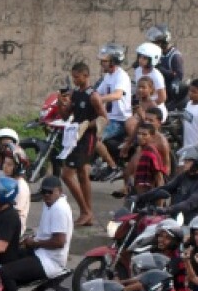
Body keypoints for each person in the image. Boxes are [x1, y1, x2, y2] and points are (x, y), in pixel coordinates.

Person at [0, 176, 72, 291]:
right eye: (43, 192)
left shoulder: (59, 209)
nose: (46, 195)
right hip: (40, 252)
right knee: (5, 257)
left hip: (49, 261)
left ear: (60, 191)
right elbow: (46, 233)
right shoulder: (50, 204)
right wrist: (31, 239)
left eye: (49, 192)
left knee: (6, 273)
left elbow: (59, 242)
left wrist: (35, 243)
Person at [60, 62, 105, 227]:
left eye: (77, 77)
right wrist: (61, 103)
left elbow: (103, 118)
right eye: (73, 77)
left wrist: (87, 125)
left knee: (66, 175)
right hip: (74, 137)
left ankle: (85, 211)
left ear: (85, 76)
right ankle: (88, 214)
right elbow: (66, 116)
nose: (74, 80)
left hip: (87, 139)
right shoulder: (75, 94)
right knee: (82, 175)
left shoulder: (93, 96)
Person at [132, 146, 198, 223]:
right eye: (185, 160)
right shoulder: (185, 175)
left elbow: (189, 204)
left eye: (189, 160)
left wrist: (166, 210)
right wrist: (140, 197)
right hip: (179, 218)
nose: (184, 162)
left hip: (197, 224)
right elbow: (166, 188)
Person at [92, 45, 132, 182]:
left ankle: (113, 167)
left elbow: (117, 94)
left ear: (113, 62)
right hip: (108, 117)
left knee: (94, 139)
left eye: (105, 61)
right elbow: (98, 91)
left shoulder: (121, 76)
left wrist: (99, 99)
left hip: (119, 120)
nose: (101, 63)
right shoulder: (109, 76)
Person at [147, 25, 185, 106]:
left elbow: (178, 78)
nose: (154, 45)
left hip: (168, 94)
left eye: (156, 43)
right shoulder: (158, 54)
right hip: (156, 89)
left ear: (163, 42)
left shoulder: (175, 56)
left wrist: (160, 69)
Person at [127, 125, 168, 197]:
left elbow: (159, 179)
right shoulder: (140, 150)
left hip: (148, 197)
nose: (140, 137)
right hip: (138, 194)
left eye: (144, 134)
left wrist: (159, 206)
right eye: (139, 134)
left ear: (152, 137)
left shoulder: (151, 152)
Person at [0, 147, 31, 231]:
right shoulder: (7, 181)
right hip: (2, 222)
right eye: (4, 163)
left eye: (9, 164)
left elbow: (13, 214)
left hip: (12, 229)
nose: (5, 166)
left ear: (18, 168)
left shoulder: (20, 186)